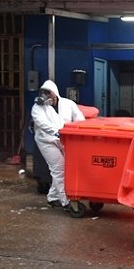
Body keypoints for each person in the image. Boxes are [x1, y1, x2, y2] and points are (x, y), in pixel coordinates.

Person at [31, 79, 85, 209]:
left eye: (48, 93)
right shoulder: (38, 108)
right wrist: (57, 132)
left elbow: (79, 119)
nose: (46, 97)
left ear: (55, 93)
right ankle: (66, 201)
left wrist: (79, 131)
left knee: (65, 168)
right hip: (46, 141)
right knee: (59, 168)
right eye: (44, 93)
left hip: (65, 140)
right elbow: (42, 124)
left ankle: (53, 197)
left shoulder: (68, 104)